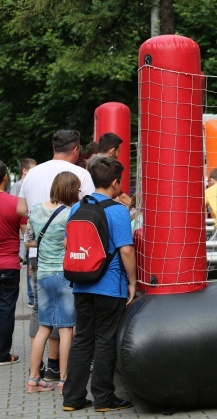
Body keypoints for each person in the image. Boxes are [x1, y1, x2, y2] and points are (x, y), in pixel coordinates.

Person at [17, 129, 95, 384]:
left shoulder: (33, 173)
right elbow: (91, 210)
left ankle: (36, 372)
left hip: (38, 257)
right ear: (75, 150)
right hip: (67, 263)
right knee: (67, 322)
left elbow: (21, 211)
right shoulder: (81, 174)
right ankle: (62, 375)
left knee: (41, 316)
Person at [63, 156, 136, 412]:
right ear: (115, 182)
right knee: (105, 340)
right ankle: (104, 399)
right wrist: (133, 282)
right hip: (109, 286)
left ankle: (72, 398)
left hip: (81, 283)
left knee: (82, 339)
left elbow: (68, 244)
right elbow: (126, 250)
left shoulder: (76, 208)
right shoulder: (118, 211)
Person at [26, 172, 80, 394]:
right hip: (62, 274)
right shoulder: (70, 213)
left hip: (43, 274)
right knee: (66, 328)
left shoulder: (36, 209)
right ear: (70, 190)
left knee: (44, 327)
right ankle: (64, 381)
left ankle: (33, 380)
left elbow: (29, 240)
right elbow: (71, 243)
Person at [0, 160, 27, 367]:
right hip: (9, 264)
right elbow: (28, 237)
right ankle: (3, 354)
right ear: (5, 177)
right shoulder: (16, 203)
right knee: (7, 308)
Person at [9, 158, 36, 306]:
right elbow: (16, 209)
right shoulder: (19, 185)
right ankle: (31, 296)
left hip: (25, 230)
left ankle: (31, 296)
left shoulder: (26, 184)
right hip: (22, 231)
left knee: (29, 262)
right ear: (25, 170)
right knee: (25, 261)